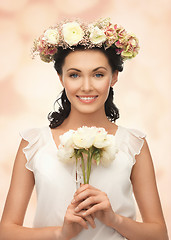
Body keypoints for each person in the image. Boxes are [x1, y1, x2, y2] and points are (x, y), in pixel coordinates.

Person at [0, 18, 169, 240]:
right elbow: (6, 232)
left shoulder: (133, 144)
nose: (86, 86)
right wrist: (61, 234)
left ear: (114, 77)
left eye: (98, 74)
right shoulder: (34, 144)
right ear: (61, 78)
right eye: (74, 74)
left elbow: (159, 234)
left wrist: (113, 219)